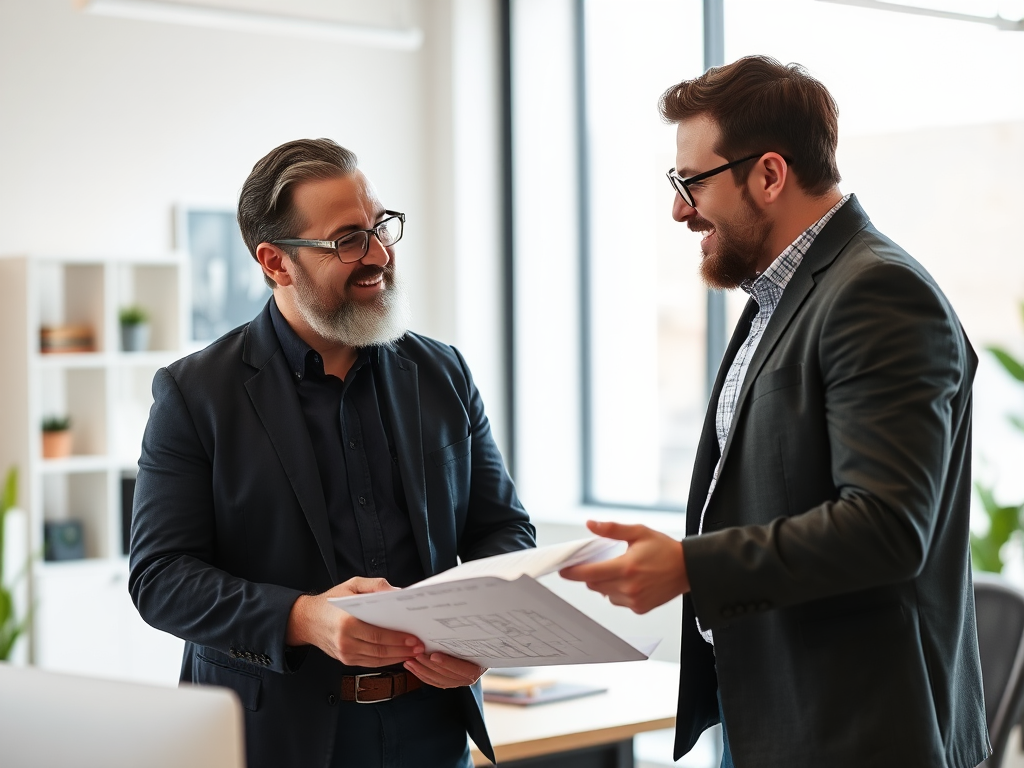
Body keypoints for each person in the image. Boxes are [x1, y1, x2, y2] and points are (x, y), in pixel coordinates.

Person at [561, 56, 989, 768]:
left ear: (767, 174)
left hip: (858, 733)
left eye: (690, 182)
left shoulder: (876, 293)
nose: (677, 208)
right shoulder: (779, 298)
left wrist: (692, 566)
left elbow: (886, 527)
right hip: (771, 714)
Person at [129, 138, 535, 768]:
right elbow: (161, 578)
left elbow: (503, 529)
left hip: (431, 729)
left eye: (381, 227)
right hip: (273, 738)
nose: (378, 254)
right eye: (348, 239)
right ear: (275, 261)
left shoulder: (442, 371)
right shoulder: (195, 394)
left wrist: (478, 630)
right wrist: (303, 618)